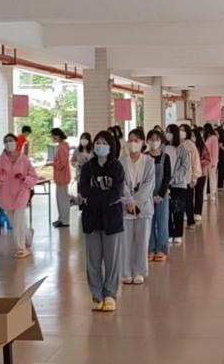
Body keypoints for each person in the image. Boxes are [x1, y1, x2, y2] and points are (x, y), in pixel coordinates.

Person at [79, 131, 126, 312]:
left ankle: (110, 295)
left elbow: (116, 193)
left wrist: (95, 198)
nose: (100, 145)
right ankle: (97, 295)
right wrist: (98, 197)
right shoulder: (88, 167)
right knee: (93, 260)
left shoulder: (117, 167)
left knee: (112, 260)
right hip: (91, 219)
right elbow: (83, 189)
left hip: (111, 219)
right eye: (98, 142)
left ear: (111, 146)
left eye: (104, 143)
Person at [0, 134, 40, 257]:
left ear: (16, 142)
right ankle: (28, 236)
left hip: (21, 193)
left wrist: (24, 178)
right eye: (6, 141)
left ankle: (21, 248)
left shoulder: (24, 159)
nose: (9, 143)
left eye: (11, 140)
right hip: (6, 195)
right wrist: (0, 178)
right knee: (15, 222)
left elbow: (34, 176)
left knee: (18, 220)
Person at [119, 129, 156, 286]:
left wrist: (137, 202)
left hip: (144, 207)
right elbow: (120, 183)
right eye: (130, 140)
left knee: (142, 240)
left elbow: (149, 184)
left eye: (136, 140)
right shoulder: (121, 161)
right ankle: (126, 272)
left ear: (142, 143)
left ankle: (139, 271)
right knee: (126, 241)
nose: (133, 143)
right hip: (126, 207)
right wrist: (129, 201)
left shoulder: (149, 162)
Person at [149, 128, 179, 262]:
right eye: (151, 139)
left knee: (162, 222)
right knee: (149, 223)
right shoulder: (144, 157)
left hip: (162, 194)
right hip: (147, 195)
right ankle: (150, 248)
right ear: (147, 141)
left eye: (157, 140)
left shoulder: (165, 157)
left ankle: (161, 249)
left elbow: (167, 177)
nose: (154, 142)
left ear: (161, 142)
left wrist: (160, 194)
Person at [173, 124, 199, 243]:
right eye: (180, 130)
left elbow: (195, 161)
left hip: (187, 177)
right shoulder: (176, 145)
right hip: (176, 180)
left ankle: (190, 220)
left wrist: (195, 177)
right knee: (181, 202)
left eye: (183, 130)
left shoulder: (190, 145)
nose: (181, 132)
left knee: (189, 200)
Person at [51, 128, 72, 228]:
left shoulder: (62, 148)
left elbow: (62, 164)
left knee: (63, 200)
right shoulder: (62, 146)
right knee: (60, 199)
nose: (53, 137)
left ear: (59, 135)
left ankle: (65, 220)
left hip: (62, 177)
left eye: (55, 135)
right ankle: (61, 218)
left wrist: (53, 164)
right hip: (61, 177)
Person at [191, 127, 209, 226]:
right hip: (190, 174)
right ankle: (190, 211)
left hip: (201, 173)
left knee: (199, 193)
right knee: (190, 194)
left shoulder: (202, 147)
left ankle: (198, 212)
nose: (192, 137)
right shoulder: (187, 146)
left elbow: (208, 160)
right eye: (191, 135)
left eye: (194, 135)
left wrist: (197, 162)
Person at [203, 123, 220, 201]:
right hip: (205, 161)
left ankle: (213, 194)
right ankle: (204, 194)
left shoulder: (214, 138)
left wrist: (213, 162)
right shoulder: (206, 138)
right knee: (204, 178)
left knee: (212, 177)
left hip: (212, 161)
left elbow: (215, 150)